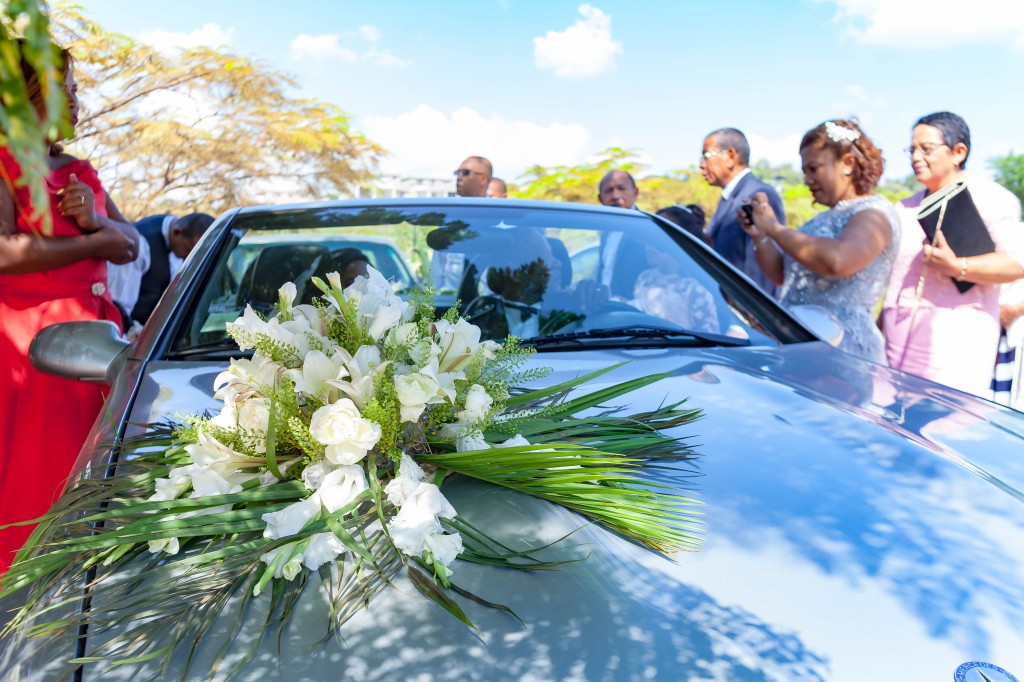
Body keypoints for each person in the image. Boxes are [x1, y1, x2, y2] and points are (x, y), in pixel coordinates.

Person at [0, 44, 140, 571]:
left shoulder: (80, 168)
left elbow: (128, 243)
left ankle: (89, 588)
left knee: (94, 472)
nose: (77, 103)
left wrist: (96, 224)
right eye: (67, 91)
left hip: (99, 340)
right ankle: (29, 593)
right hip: (33, 346)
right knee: (42, 472)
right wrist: (92, 243)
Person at [881, 112, 1024, 397]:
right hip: (896, 338)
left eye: (926, 148)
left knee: (943, 428)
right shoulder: (903, 207)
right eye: (912, 149)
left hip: (956, 340)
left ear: (958, 152)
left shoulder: (992, 198)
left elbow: (1016, 264)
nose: (915, 157)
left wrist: (957, 266)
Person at [740, 119, 899, 363]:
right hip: (801, 341)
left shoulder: (874, 212)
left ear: (847, 163)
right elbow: (783, 275)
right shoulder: (821, 218)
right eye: (804, 171)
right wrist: (760, 235)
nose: (807, 180)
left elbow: (839, 260)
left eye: (813, 169)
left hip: (841, 350)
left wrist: (774, 228)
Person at [701, 128, 786, 297]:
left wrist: (759, 314)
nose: (701, 164)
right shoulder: (729, 197)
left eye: (706, 156)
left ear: (730, 156)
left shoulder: (759, 195)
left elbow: (764, 270)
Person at [127, 212, 214, 325]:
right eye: (188, 250)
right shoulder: (140, 243)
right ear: (176, 233)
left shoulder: (179, 239)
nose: (186, 258)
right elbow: (121, 302)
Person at [432, 156, 493, 293]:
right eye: (457, 173)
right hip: (449, 307)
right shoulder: (449, 220)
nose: (459, 177)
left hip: (491, 309)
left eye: (465, 172)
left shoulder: (501, 219)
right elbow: (436, 272)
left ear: (483, 179)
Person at [596, 170, 646, 298]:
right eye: (608, 191)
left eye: (621, 188)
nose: (615, 195)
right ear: (600, 198)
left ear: (635, 193)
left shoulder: (647, 229)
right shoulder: (605, 231)